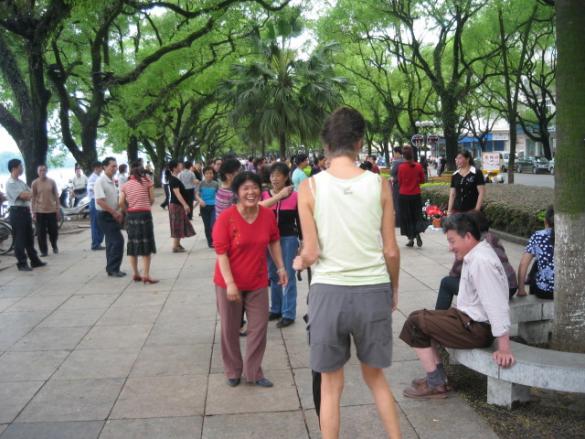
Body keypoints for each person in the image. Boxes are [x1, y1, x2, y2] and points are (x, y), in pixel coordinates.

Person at [293, 107, 401, 439]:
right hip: (373, 290)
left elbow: (311, 253)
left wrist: (298, 262)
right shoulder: (379, 184)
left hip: (329, 293)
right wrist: (393, 290)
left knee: (330, 385)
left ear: (325, 145)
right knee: (375, 378)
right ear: (360, 142)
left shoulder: (309, 188)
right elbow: (391, 250)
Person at [400, 213, 514, 400]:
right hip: (468, 321)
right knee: (418, 317)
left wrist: (504, 347)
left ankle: (436, 385)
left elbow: (496, 304)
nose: (450, 247)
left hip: (477, 329)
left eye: (453, 241)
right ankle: (437, 379)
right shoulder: (477, 254)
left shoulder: (481, 261)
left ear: (468, 236)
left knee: (415, 323)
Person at [212, 171, 287, 388]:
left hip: (257, 281)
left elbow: (274, 241)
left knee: (259, 327)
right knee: (229, 328)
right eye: (245, 188)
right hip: (228, 282)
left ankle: (254, 371)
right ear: (237, 193)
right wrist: (230, 284)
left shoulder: (266, 215)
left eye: (254, 187)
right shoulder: (226, 218)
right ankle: (233, 370)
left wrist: (281, 267)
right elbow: (221, 252)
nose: (251, 192)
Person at [435, 211, 517, 310]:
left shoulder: (472, 244)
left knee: (446, 282)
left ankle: (440, 315)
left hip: (496, 290)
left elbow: (455, 273)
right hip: (511, 286)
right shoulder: (493, 238)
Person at [260, 162, 299, 328]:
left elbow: (301, 220)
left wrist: (303, 242)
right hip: (269, 240)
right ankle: (276, 308)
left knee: (289, 275)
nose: (274, 178)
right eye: (272, 175)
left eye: (278, 175)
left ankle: (289, 312)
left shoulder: (295, 196)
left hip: (288, 238)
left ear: (285, 177)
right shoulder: (264, 195)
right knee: (273, 274)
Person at [119, 161, 158, 284]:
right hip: (145, 215)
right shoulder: (147, 182)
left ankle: (136, 273)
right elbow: (152, 199)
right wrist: (146, 205)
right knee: (146, 244)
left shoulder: (125, 185)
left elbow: (120, 202)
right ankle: (146, 275)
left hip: (131, 216)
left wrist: (128, 210)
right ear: (143, 173)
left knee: (133, 244)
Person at [5, 159, 46, 272]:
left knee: (29, 237)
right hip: (17, 213)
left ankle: (34, 260)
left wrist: (33, 193)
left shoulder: (20, 182)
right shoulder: (11, 183)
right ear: (14, 168)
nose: (22, 168)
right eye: (20, 166)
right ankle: (22, 263)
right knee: (20, 239)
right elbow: (25, 195)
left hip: (25, 211)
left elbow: (31, 192)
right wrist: (33, 193)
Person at [95, 157, 125, 277]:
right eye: (112, 166)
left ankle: (111, 268)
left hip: (112, 213)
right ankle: (113, 268)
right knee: (118, 241)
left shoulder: (112, 180)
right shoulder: (100, 181)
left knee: (111, 242)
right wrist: (114, 212)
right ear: (104, 167)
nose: (115, 168)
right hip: (104, 215)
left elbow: (113, 199)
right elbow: (100, 201)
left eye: (116, 166)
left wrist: (120, 210)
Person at [517, 206, 555, 300]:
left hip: (545, 292)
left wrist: (521, 290)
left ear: (545, 221)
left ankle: (529, 282)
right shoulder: (574, 236)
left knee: (537, 262)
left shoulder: (538, 236)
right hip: (568, 291)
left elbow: (523, 264)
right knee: (538, 261)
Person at [397, 145, 425, 247]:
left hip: (404, 195)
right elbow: (422, 180)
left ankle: (411, 238)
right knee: (416, 216)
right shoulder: (418, 166)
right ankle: (417, 233)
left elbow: (399, 182)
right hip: (416, 195)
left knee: (407, 217)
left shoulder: (401, 167)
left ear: (403, 156)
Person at [31, 164, 60, 256]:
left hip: (51, 210)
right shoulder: (35, 183)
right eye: (40, 170)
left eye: (44, 170)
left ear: (46, 171)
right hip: (39, 211)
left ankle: (54, 245)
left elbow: (56, 196)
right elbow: (33, 197)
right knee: (40, 232)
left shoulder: (51, 182)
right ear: (38, 172)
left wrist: (57, 209)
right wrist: (33, 211)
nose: (42, 172)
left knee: (53, 231)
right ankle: (44, 251)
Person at [167, 160, 195, 253]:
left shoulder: (175, 178)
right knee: (177, 225)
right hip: (176, 205)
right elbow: (177, 194)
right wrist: (185, 205)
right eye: (179, 166)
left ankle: (177, 244)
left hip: (177, 205)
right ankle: (175, 246)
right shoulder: (173, 180)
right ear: (174, 168)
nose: (181, 167)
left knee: (180, 224)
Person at [447, 150, 485, 215]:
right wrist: (449, 211)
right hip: (458, 211)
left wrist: (476, 210)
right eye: (456, 159)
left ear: (467, 159)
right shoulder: (455, 175)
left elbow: (481, 192)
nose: (457, 161)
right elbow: (452, 194)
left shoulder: (476, 172)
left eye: (460, 158)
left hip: (472, 210)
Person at [196, 166, 219, 248]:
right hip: (204, 207)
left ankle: (214, 240)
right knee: (207, 225)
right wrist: (200, 200)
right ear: (204, 174)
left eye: (211, 173)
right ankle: (210, 241)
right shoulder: (201, 184)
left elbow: (219, 195)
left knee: (213, 224)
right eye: (207, 173)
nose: (209, 175)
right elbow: (196, 195)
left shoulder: (216, 184)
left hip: (214, 207)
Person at [87, 161, 105, 250]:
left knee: (99, 223)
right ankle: (95, 244)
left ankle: (98, 242)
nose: (102, 169)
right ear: (96, 168)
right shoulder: (92, 178)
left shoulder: (98, 177)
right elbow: (91, 189)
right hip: (94, 202)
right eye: (101, 167)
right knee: (95, 224)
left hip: (98, 202)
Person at [390, 147, 405, 229]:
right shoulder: (405, 161)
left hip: (397, 185)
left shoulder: (396, 162)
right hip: (405, 185)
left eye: (394, 153)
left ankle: (398, 222)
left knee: (397, 203)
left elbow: (392, 172)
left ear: (397, 153)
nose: (394, 155)